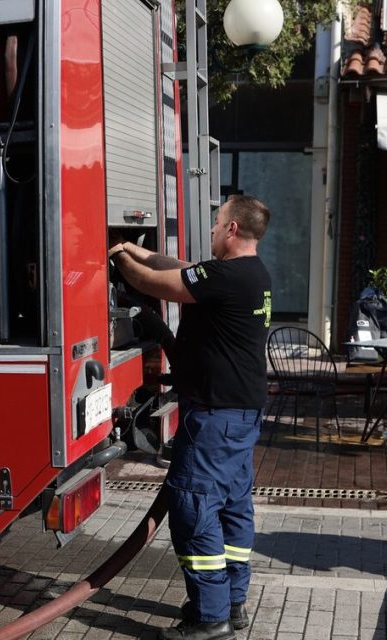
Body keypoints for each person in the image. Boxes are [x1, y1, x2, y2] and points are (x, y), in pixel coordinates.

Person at [108, 195, 271, 640]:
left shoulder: (227, 276)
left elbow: (160, 283)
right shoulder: (250, 274)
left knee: (193, 507)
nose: (213, 231)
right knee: (233, 509)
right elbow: (176, 265)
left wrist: (119, 260)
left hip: (216, 419)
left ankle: (210, 618)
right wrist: (134, 248)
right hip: (238, 415)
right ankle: (232, 603)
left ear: (233, 229)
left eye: (218, 224)